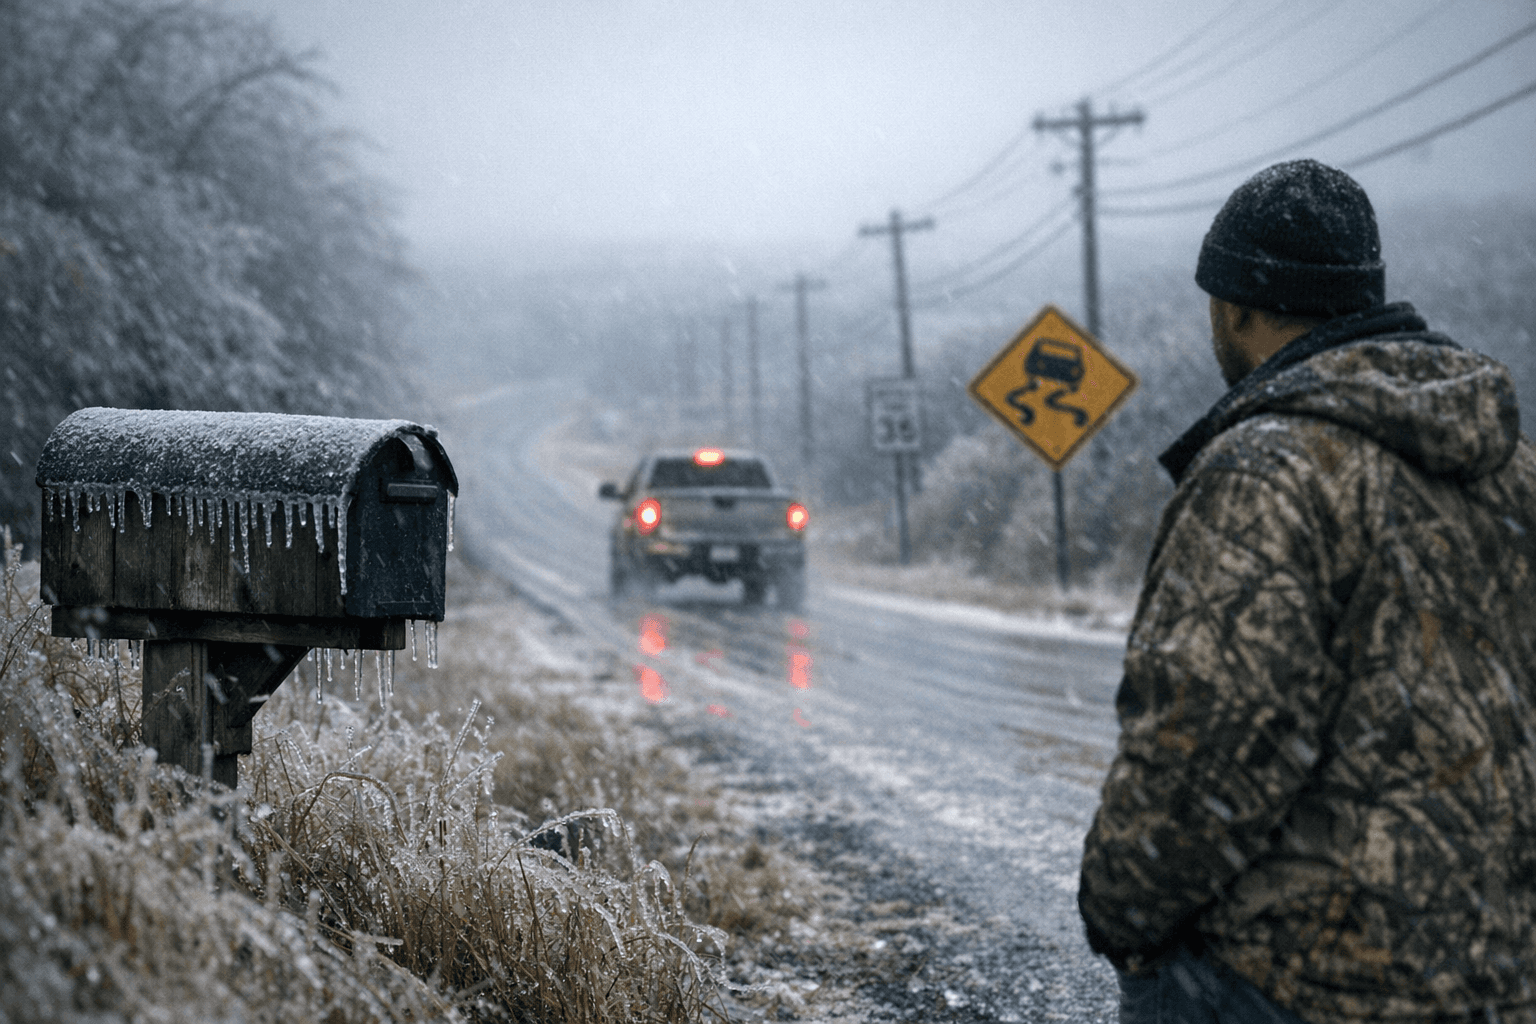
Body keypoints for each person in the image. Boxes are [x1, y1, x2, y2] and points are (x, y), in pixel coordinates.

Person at [1077, 158, 1536, 1023]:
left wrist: (1119, 912)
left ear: (1235, 306)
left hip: (1308, 979)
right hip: (1500, 974)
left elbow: (1205, 747)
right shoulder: (1513, 469)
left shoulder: (1266, 471)